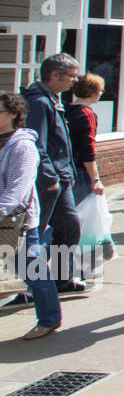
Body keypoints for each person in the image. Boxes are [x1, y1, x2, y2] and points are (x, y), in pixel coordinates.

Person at [0, 92, 62, 339]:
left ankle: (49, 319)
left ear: (14, 114)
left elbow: (17, 190)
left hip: (17, 223)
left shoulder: (23, 147)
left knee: (33, 272)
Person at [23, 53, 83, 293]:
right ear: (54, 75)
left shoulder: (52, 99)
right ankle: (27, 282)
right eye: (71, 75)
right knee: (34, 233)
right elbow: (36, 142)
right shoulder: (39, 102)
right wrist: (51, 179)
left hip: (62, 177)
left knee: (69, 228)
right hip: (50, 181)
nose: (75, 81)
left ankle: (59, 278)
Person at [66, 74, 106, 205]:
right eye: (100, 89)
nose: (102, 92)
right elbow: (87, 147)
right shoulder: (87, 114)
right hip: (79, 171)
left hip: (65, 167)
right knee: (78, 215)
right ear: (92, 92)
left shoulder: (66, 109)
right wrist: (95, 179)